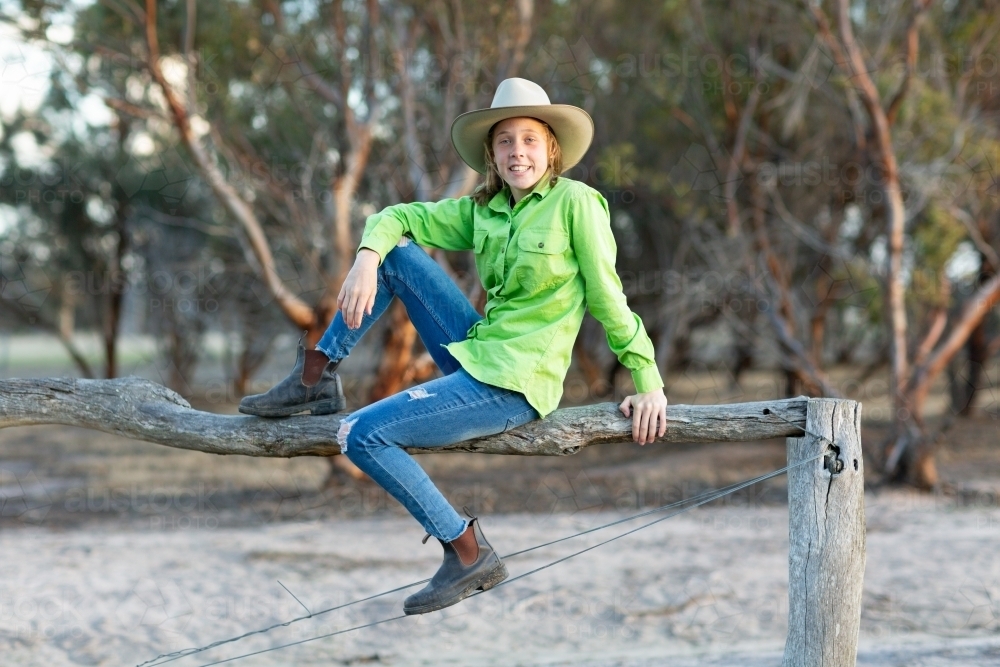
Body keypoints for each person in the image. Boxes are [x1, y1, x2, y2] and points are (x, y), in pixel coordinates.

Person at [239, 77, 668, 615]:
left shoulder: (576, 204)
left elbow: (610, 299)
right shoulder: (483, 211)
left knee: (360, 434)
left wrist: (648, 381)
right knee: (395, 252)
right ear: (491, 152)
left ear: (552, 148)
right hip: (474, 351)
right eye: (506, 141)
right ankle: (316, 375)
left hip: (513, 383)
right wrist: (365, 259)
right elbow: (395, 217)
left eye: (530, 139)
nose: (518, 152)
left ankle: (466, 551)